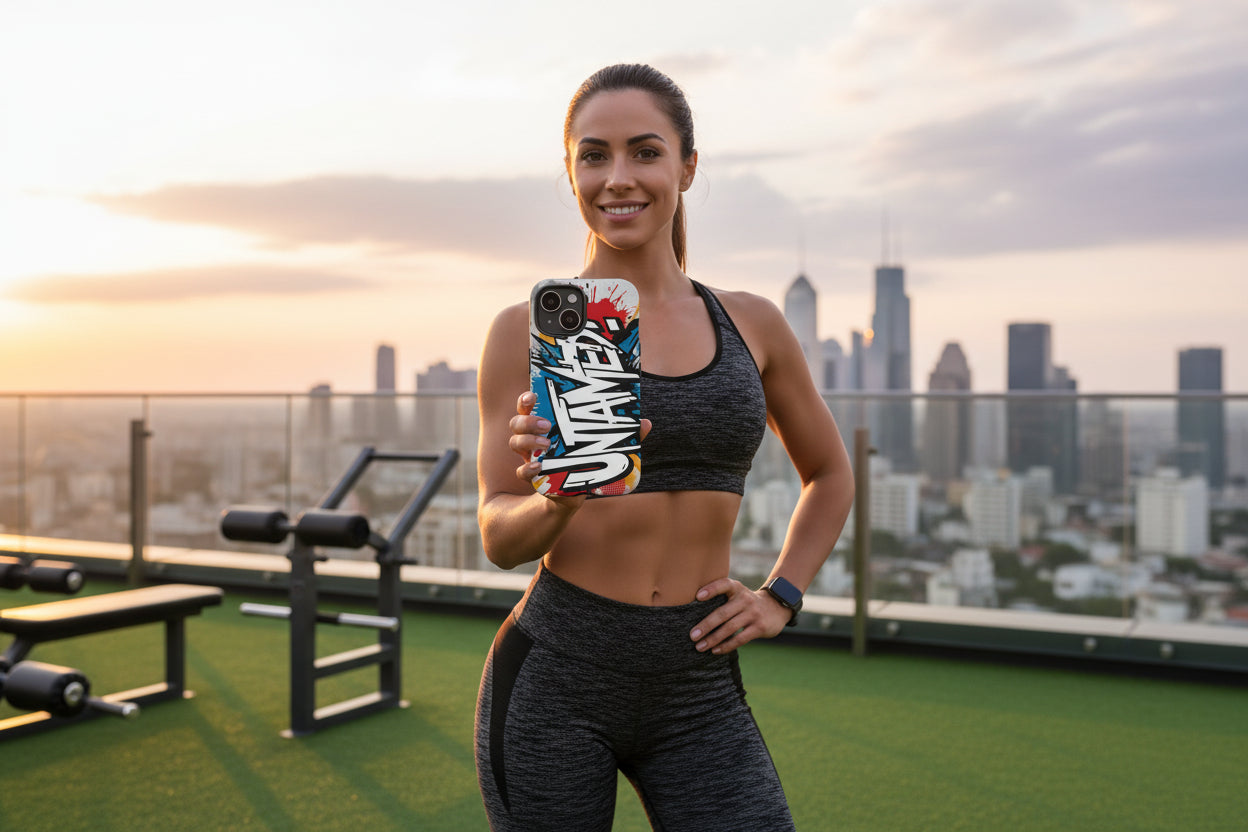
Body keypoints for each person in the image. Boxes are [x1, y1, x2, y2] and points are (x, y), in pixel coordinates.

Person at [474, 63, 854, 831]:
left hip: (699, 687)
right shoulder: (523, 331)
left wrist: (782, 595)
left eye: (645, 152)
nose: (619, 178)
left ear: (686, 165)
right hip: (556, 676)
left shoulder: (754, 323)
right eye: (594, 155)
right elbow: (497, 535)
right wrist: (557, 497)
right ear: (571, 172)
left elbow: (830, 473)